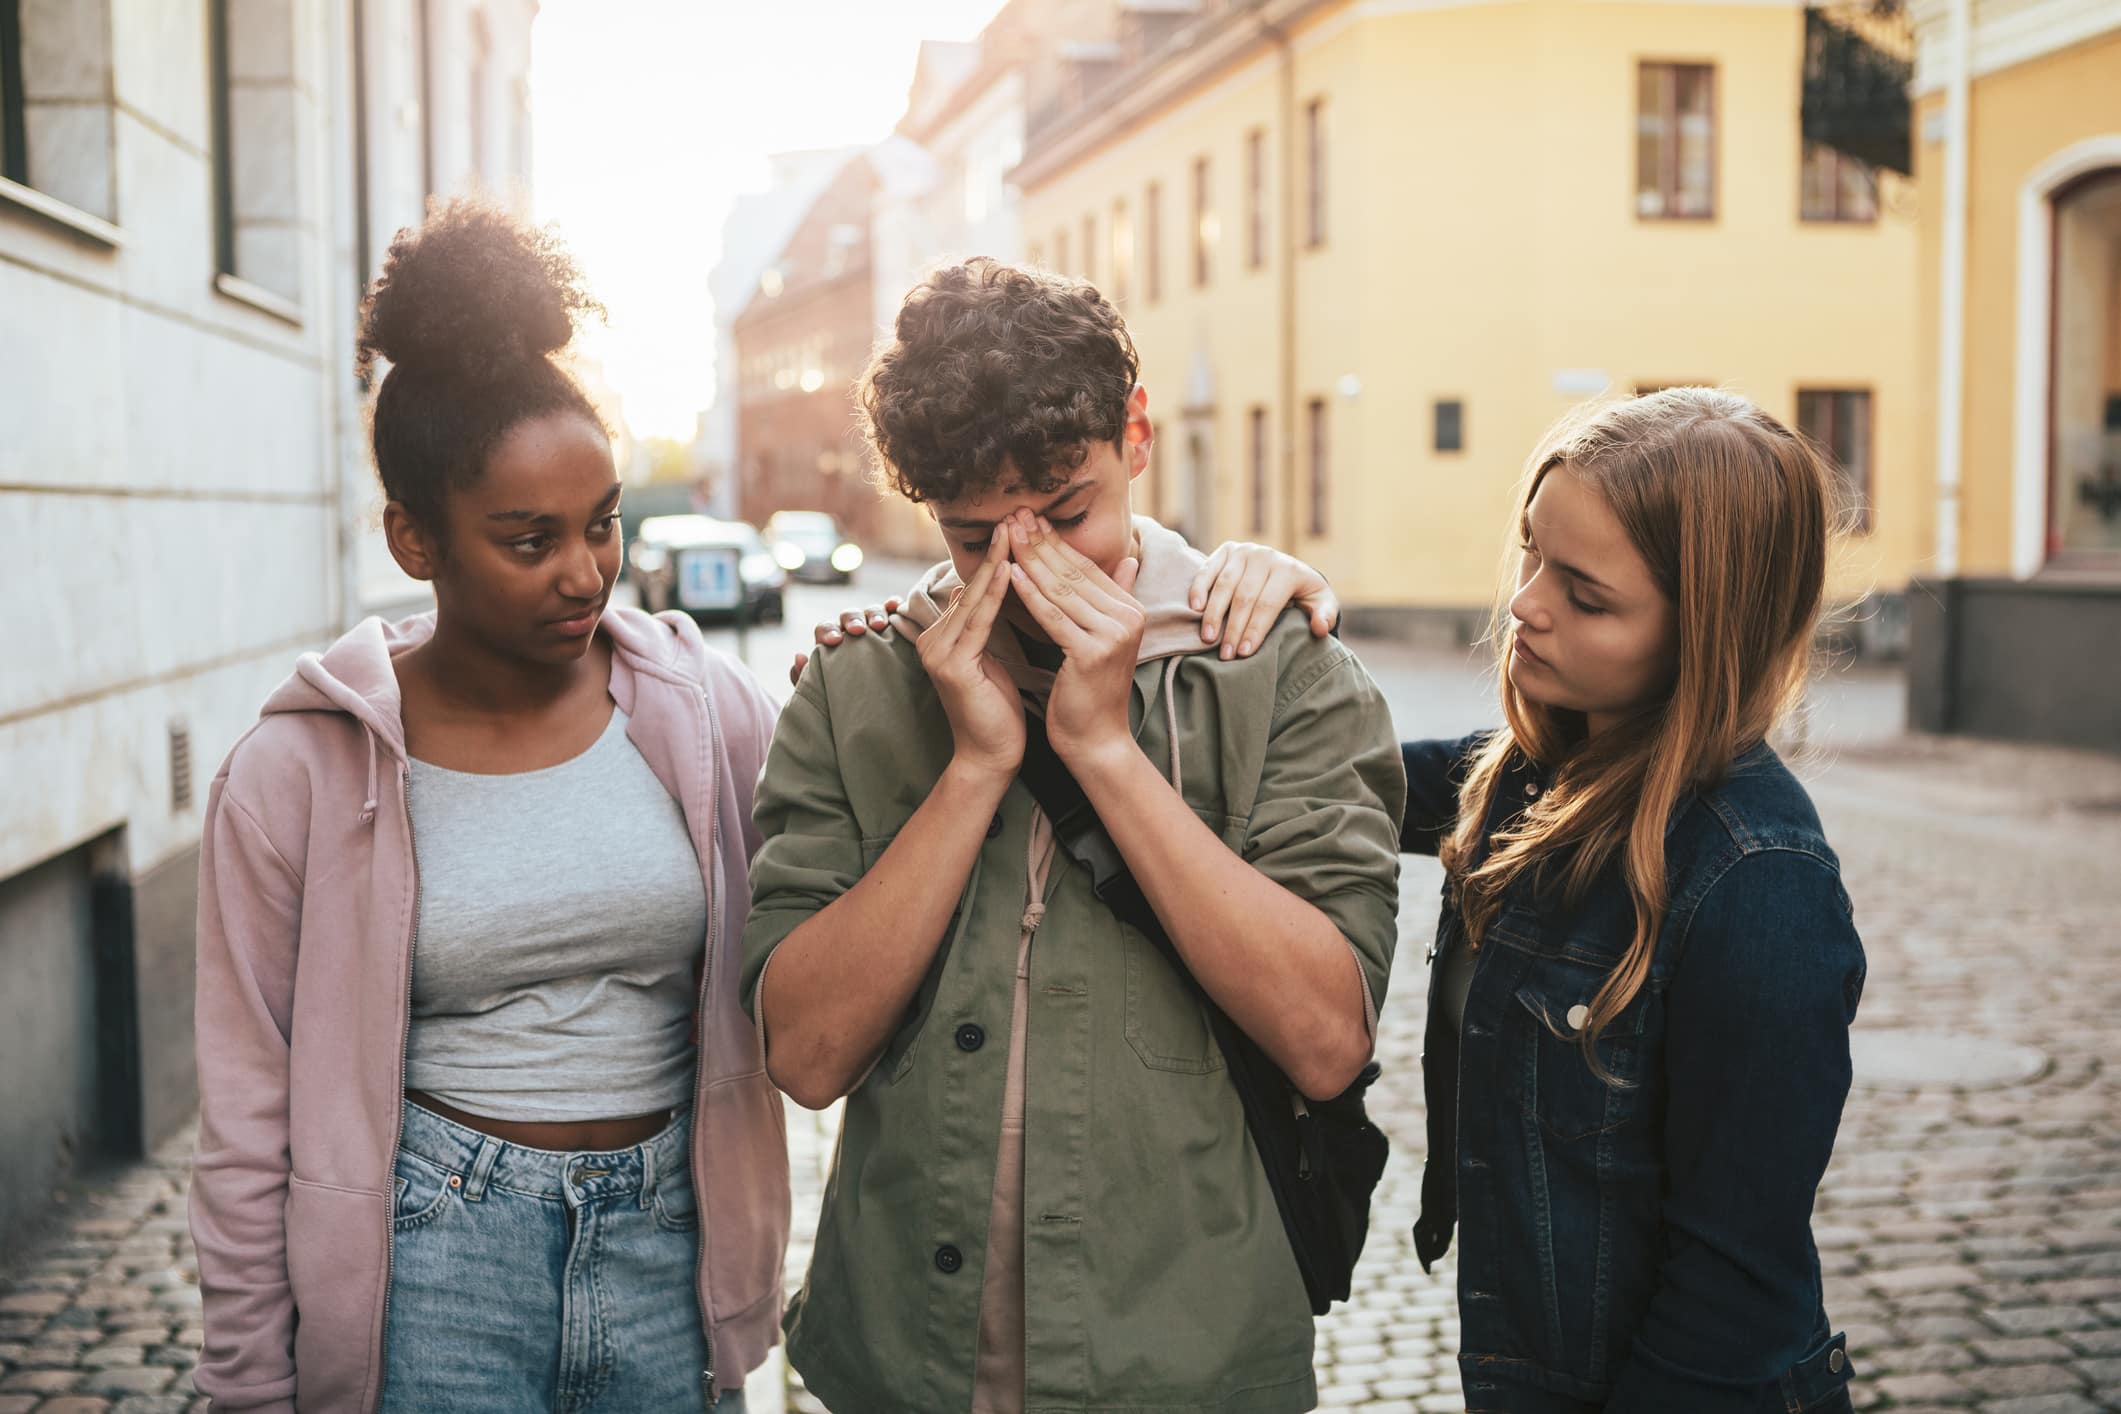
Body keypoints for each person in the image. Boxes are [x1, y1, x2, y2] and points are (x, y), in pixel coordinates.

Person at [1006, 386, 1863, 1411]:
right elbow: (1313, 771)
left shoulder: (1758, 883)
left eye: (1586, 595)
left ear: (1706, 633)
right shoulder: (1533, 777)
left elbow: (1732, 1293)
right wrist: (1270, 607)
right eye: (1532, 552)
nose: (1528, 604)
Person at [741, 258, 1406, 1413]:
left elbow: (1324, 1040)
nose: (1027, 569)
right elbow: (803, 1054)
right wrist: (976, 769)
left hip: (1187, 1363)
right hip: (904, 1364)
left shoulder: (1280, 672)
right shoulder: (853, 692)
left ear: (1134, 437)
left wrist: (1104, 750)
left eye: (1065, 517)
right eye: (971, 539)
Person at [189, 201, 786, 1413]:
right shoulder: (299, 771)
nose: (586, 570)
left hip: (670, 1238)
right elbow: (247, 1113)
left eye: (603, 522)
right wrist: (252, 1381)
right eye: (529, 540)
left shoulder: (703, 711)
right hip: (435, 1256)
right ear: (417, 539)